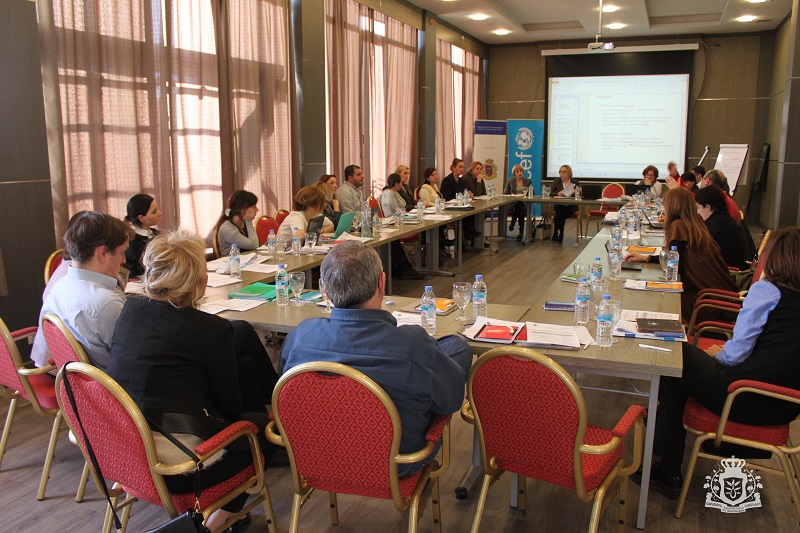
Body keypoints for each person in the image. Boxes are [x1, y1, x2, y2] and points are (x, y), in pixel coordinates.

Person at [108, 230, 280, 530]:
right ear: (198, 280)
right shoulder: (209, 329)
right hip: (180, 468)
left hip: (124, 452)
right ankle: (213, 523)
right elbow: (230, 408)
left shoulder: (131, 308)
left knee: (246, 363)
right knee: (264, 429)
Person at [280, 242, 473, 476]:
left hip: (318, 456)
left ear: (326, 291)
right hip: (398, 462)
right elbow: (450, 403)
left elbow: (286, 394)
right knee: (456, 347)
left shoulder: (299, 337)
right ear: (381, 282)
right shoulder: (413, 344)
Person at [641, 227, 800, 500]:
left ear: (777, 259)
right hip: (784, 405)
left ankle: (667, 462)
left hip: (743, 395)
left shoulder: (768, 291)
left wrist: (716, 355)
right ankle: (667, 455)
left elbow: (736, 353)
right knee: (682, 374)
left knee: (675, 355)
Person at [625, 187, 737, 318]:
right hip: (718, 296)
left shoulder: (678, 225)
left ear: (673, 207)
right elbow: (675, 257)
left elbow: (674, 264)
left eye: (665, 206)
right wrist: (647, 258)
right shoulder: (695, 224)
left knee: (652, 299)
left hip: (705, 303)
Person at [39, 211, 131, 370]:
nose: (124, 260)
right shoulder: (107, 303)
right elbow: (133, 358)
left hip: (74, 377)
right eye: (121, 252)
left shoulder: (59, 286)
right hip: (109, 381)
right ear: (102, 253)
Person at [695, 185, 749, 270]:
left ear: (708, 207)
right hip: (733, 267)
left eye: (698, 208)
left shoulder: (715, 226)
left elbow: (705, 256)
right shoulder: (724, 218)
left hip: (728, 272)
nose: (698, 212)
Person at [123, 194, 161, 278]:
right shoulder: (131, 242)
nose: (159, 213)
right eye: (154, 211)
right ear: (141, 218)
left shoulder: (155, 233)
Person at [215, 190, 260, 256]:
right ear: (243, 210)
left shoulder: (243, 222)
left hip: (247, 260)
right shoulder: (227, 228)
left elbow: (255, 245)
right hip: (234, 262)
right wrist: (249, 221)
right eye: (254, 207)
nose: (257, 210)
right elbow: (254, 245)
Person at [549, 164, 579, 243]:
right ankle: (560, 233)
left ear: (569, 173)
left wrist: (574, 193)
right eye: (560, 172)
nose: (562, 174)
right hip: (559, 205)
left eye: (564, 172)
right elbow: (550, 193)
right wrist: (558, 193)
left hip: (570, 207)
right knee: (560, 210)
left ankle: (557, 232)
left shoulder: (575, 182)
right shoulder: (557, 181)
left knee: (559, 213)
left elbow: (579, 194)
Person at [504, 164, 531, 240]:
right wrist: (512, 196)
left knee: (520, 205)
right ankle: (521, 233)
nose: (519, 173)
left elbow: (532, 193)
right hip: (512, 204)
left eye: (521, 171)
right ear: (514, 173)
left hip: (523, 204)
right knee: (518, 204)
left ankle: (512, 224)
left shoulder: (528, 181)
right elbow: (505, 193)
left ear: (523, 172)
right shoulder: (510, 181)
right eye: (517, 171)